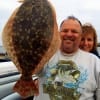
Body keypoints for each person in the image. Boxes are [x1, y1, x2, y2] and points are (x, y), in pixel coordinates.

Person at [34, 16, 100, 100]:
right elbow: (34, 69)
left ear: (80, 36)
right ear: (58, 34)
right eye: (65, 30)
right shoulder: (44, 54)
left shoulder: (95, 62)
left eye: (74, 31)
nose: (69, 34)